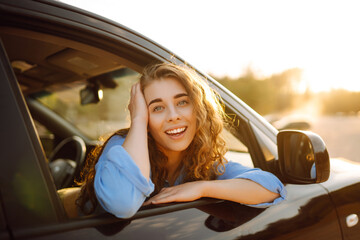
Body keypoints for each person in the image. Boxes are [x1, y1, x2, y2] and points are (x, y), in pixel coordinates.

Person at [76, 63, 286, 218]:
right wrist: (138, 120)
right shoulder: (122, 146)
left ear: (197, 109)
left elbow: (271, 188)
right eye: (157, 107)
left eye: (182, 102)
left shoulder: (202, 160)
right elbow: (123, 204)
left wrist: (202, 188)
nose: (173, 115)